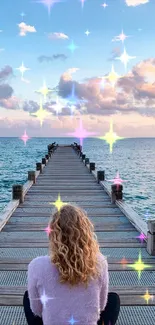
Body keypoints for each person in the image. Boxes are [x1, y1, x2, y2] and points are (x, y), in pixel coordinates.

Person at [23, 205, 120, 325]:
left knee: (28, 297)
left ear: (53, 235)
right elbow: (101, 306)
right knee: (113, 300)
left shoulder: (36, 265)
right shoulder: (99, 263)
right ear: (86, 233)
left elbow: (37, 310)